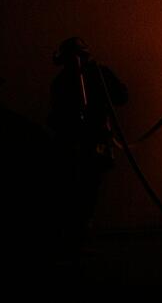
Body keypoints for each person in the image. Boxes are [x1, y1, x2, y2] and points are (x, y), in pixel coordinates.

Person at [47, 37, 128, 249]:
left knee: (78, 188)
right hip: (90, 143)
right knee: (86, 189)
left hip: (77, 145)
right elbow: (122, 96)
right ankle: (80, 231)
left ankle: (77, 233)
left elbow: (55, 118)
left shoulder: (63, 81)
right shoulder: (98, 75)